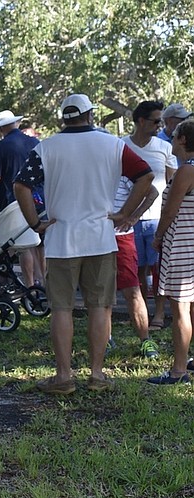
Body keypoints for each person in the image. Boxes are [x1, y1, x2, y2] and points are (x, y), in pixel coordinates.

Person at [14, 94, 154, 395]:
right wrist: (124, 213)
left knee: (62, 308)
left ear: (64, 117)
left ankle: (63, 376)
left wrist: (35, 223)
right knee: (100, 307)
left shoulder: (46, 147)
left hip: (61, 239)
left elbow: (21, 185)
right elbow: (145, 177)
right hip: (101, 238)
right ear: (90, 115)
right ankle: (97, 374)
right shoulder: (113, 144)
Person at [122, 101, 177, 332]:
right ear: (141, 121)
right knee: (138, 270)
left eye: (161, 121)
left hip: (157, 217)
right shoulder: (120, 145)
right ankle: (141, 311)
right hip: (129, 220)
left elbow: (173, 183)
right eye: (156, 121)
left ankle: (159, 313)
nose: (160, 126)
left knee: (159, 268)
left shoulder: (164, 147)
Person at [148, 119, 194, 384]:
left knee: (180, 309)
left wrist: (158, 237)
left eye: (175, 135)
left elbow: (170, 210)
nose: (172, 139)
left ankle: (178, 370)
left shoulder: (187, 171)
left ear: (183, 140)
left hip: (182, 245)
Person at [0, 109, 43, 286]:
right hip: (39, 198)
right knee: (39, 243)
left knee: (24, 246)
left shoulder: (1, 146)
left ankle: (29, 284)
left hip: (16, 200)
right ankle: (44, 281)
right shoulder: (34, 141)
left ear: (2, 128)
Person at [110, 176, 159, 359]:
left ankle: (145, 339)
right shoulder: (88, 163)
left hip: (122, 236)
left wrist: (134, 216)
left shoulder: (124, 167)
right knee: (102, 292)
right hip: (94, 236)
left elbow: (152, 191)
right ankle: (105, 338)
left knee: (132, 290)